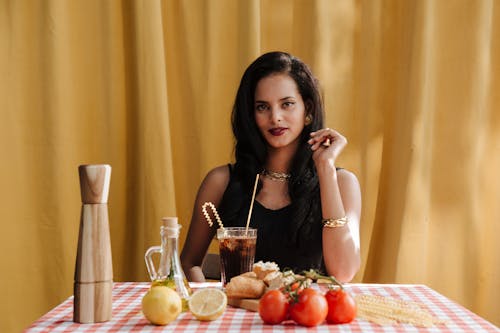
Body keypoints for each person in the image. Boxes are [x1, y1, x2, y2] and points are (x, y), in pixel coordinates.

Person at [180, 51, 361, 283]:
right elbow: (188, 263)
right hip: (239, 317)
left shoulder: (342, 183)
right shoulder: (221, 181)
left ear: (308, 109)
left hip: (308, 314)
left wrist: (325, 168)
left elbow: (344, 272)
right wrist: (209, 300)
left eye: (287, 104)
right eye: (262, 107)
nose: (275, 117)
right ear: (250, 114)